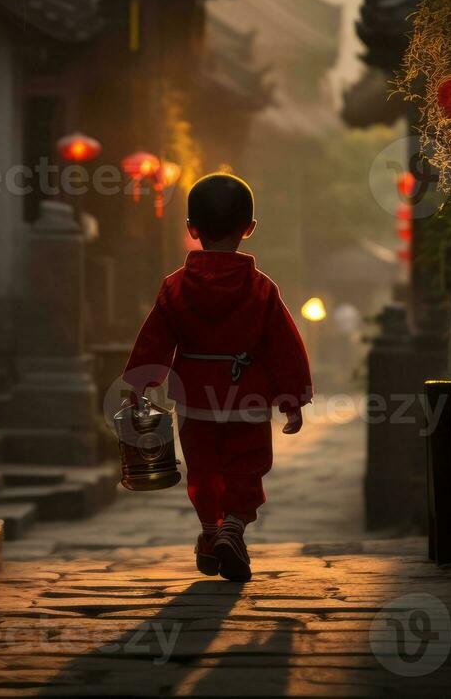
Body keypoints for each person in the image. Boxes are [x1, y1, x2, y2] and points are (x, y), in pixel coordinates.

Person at [122, 173, 313, 582]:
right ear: (249, 228)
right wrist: (292, 398)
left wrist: (140, 383)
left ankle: (211, 529)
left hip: (194, 399)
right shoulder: (262, 289)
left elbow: (156, 337)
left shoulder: (174, 287)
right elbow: (284, 346)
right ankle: (232, 528)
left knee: (204, 469)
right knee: (247, 465)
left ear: (192, 229)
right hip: (247, 399)